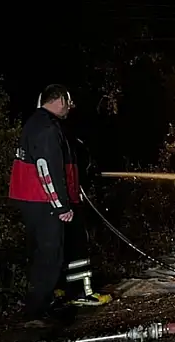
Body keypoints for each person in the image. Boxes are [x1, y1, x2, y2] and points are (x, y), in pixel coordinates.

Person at [9, 85, 111, 326]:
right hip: (44, 202)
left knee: (58, 250)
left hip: (42, 201)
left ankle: (60, 295)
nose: (71, 106)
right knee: (49, 254)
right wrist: (60, 206)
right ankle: (36, 311)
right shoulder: (45, 128)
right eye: (68, 101)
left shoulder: (45, 124)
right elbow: (46, 170)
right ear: (58, 100)